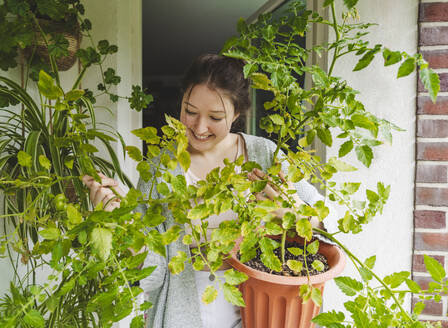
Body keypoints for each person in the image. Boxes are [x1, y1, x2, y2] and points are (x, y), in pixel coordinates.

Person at [83, 54, 328, 328]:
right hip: (185, 307)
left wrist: (291, 213)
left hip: (263, 306)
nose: (199, 127)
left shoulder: (264, 155)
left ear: (236, 114)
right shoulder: (160, 168)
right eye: (190, 111)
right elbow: (151, 272)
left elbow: (327, 232)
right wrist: (120, 223)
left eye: (215, 117)